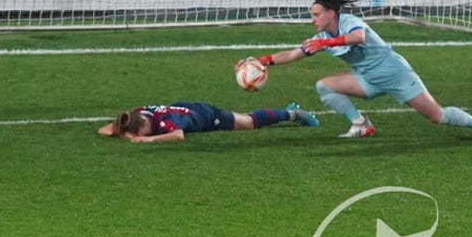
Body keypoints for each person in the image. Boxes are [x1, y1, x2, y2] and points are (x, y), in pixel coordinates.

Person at [254, 0, 472, 141]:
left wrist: (327, 43)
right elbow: (293, 54)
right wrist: (263, 60)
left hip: (395, 73)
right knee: (324, 86)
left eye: (317, 14)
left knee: (436, 115)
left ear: (332, 13)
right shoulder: (321, 36)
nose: (314, 19)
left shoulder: (349, 23)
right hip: (368, 79)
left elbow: (358, 37)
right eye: (312, 15)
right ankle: (360, 124)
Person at [97, 102, 318, 143]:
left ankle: (291, 114)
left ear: (144, 128)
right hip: (187, 107)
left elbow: (178, 136)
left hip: (208, 115)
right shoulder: (137, 115)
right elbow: (104, 129)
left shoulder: (166, 123)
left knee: (250, 122)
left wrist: (149, 140)